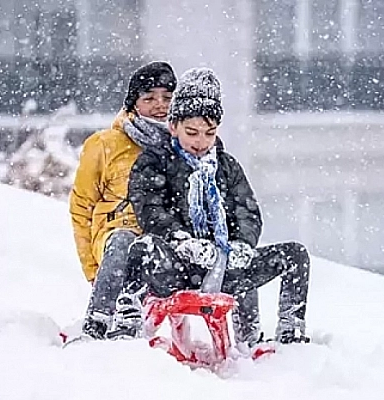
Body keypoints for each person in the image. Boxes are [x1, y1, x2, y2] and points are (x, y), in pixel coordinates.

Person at [121, 68, 311, 344]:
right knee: (141, 247)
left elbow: (248, 212)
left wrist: (241, 246)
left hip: (224, 268)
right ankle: (127, 323)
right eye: (192, 132)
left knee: (295, 254)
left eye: (209, 133)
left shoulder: (227, 167)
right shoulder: (154, 161)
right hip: (178, 267)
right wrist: (181, 240)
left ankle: (290, 333)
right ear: (173, 126)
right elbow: (150, 209)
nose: (200, 142)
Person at [68, 61, 176, 340]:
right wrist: (94, 270)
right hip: (114, 238)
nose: (159, 105)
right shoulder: (104, 144)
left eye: (167, 97)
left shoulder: (183, 144)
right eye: (149, 98)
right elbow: (81, 207)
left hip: (159, 242)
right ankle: (98, 323)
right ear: (133, 103)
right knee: (124, 241)